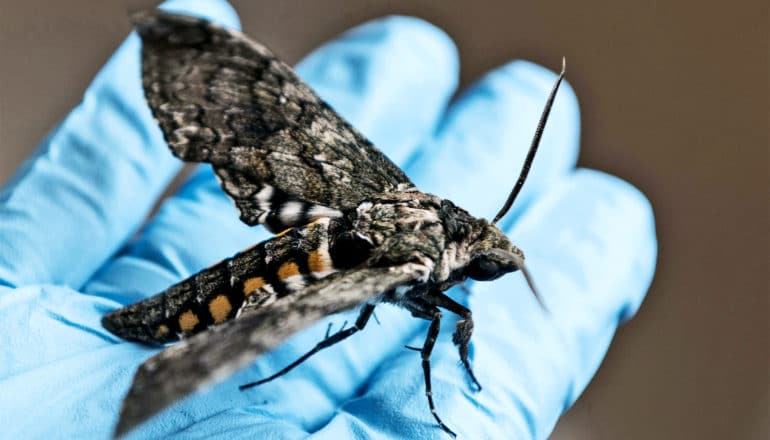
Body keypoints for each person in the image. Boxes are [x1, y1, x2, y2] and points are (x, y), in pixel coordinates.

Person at [0, 0, 656, 438]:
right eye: (480, 267)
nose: (480, 274)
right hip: (183, 322)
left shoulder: (409, 211)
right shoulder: (426, 274)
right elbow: (393, 313)